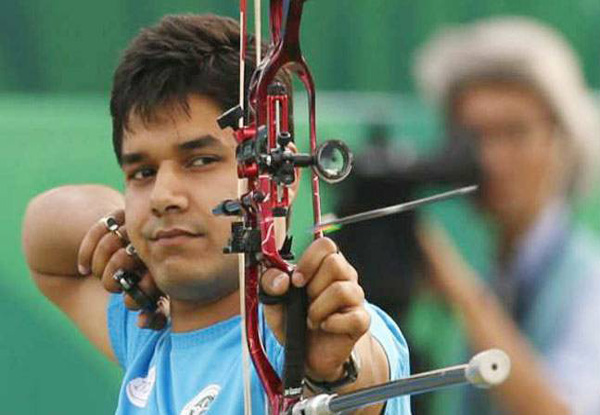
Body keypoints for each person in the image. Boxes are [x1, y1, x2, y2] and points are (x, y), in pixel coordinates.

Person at [22, 14, 411, 415]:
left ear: (282, 177)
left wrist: (327, 373)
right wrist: (128, 236)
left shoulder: (312, 326)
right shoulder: (150, 331)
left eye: (201, 160)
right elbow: (42, 228)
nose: (162, 195)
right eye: (143, 172)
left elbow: (361, 375)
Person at [413, 16, 600, 415]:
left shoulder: (587, 284)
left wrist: (459, 290)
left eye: (514, 133)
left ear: (563, 138)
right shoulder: (497, 271)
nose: (491, 159)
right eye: (473, 137)